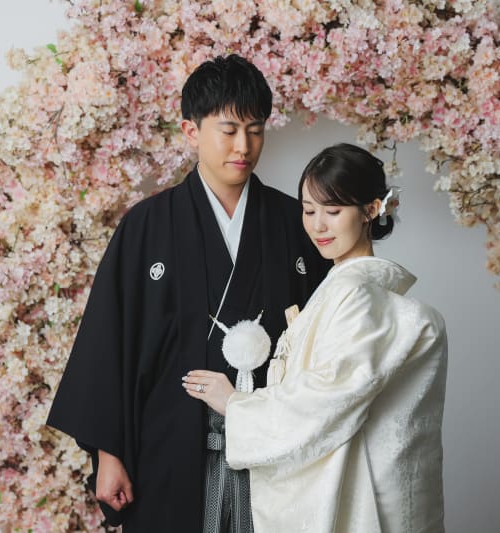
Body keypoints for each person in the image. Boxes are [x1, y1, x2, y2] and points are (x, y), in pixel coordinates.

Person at [46, 55, 330, 532]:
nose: (244, 146)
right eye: (229, 130)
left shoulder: (293, 221)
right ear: (190, 131)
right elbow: (109, 341)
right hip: (167, 446)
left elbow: (325, 340)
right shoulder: (147, 226)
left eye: (255, 130)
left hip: (273, 449)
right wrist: (109, 454)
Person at [184, 143, 448, 533]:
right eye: (309, 211)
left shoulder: (357, 295)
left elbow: (329, 397)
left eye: (333, 211)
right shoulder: (346, 290)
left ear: (371, 209)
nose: (318, 226)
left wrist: (236, 406)